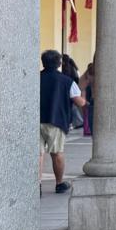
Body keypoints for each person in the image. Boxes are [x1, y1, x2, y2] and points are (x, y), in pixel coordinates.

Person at [39, 49, 87, 193]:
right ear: (59, 63)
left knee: (38, 154)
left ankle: (37, 184)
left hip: (36, 120)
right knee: (57, 153)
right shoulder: (67, 81)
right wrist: (86, 101)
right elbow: (79, 102)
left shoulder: (35, 78)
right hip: (56, 121)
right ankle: (59, 183)